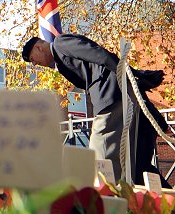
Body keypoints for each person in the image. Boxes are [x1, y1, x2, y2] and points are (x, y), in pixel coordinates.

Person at [21, 33, 171, 187]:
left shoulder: (60, 43)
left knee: (99, 153)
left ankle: (108, 198)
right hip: (119, 97)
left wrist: (131, 74)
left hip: (111, 96)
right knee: (137, 166)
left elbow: (99, 54)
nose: (35, 64)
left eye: (33, 59)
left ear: (38, 47)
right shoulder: (61, 62)